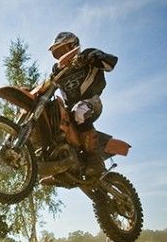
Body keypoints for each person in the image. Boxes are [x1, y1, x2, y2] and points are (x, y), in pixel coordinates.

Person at [44, 31, 118, 178]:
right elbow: (48, 84)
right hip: (69, 110)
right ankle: (58, 164)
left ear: (73, 46)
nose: (61, 55)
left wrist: (92, 57)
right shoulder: (58, 69)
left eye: (63, 50)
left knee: (80, 110)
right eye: (57, 53)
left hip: (91, 102)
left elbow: (111, 63)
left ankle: (95, 161)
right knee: (53, 119)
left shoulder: (87, 55)